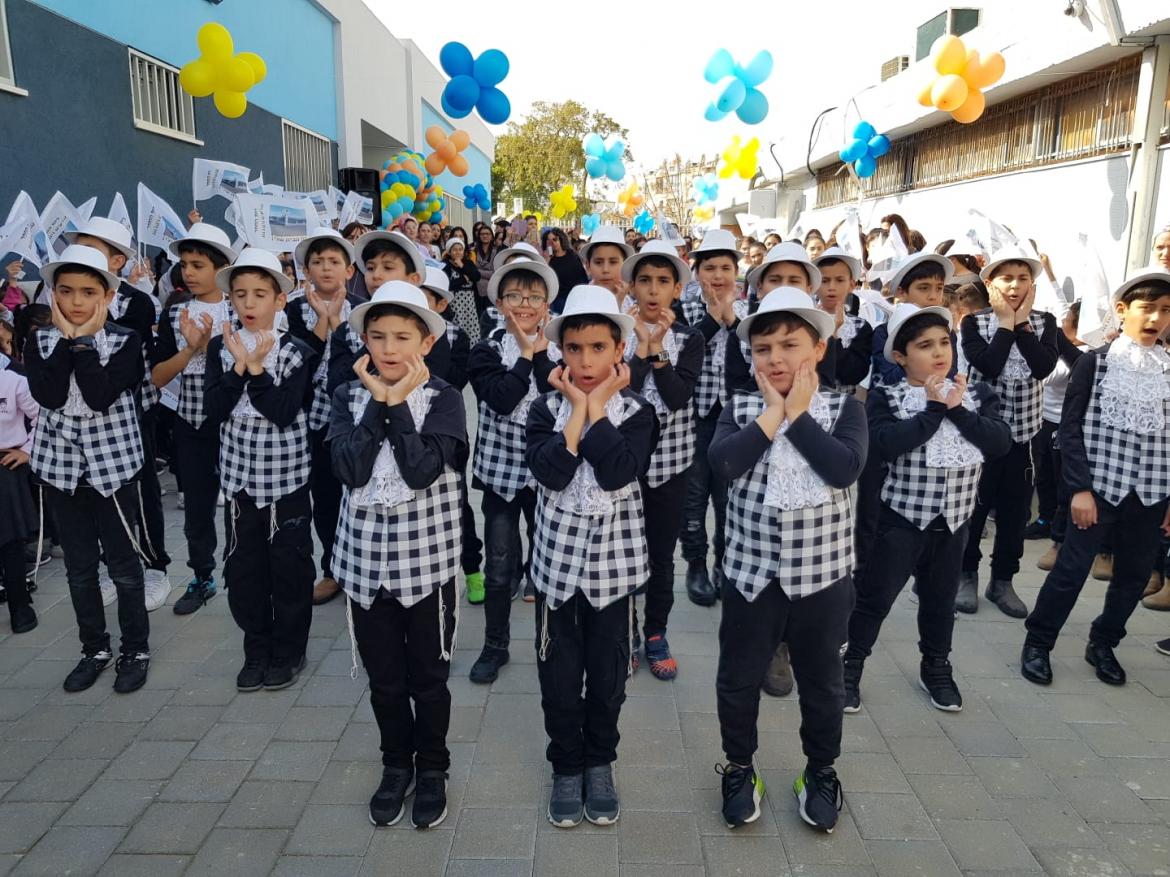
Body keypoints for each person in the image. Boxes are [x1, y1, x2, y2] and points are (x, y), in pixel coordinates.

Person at [710, 288, 866, 833]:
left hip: (823, 580)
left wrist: (797, 415)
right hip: (751, 577)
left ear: (818, 349)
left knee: (824, 682)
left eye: (789, 345)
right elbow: (724, 464)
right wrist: (774, 413)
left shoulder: (845, 409)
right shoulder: (739, 408)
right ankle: (739, 767)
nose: (775, 358)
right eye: (763, 348)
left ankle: (820, 771)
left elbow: (843, 468)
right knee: (737, 677)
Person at [329, 280, 466, 829]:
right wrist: (376, 406)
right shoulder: (347, 395)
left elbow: (420, 469)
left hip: (427, 565)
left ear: (426, 342)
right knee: (385, 679)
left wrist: (397, 406)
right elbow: (349, 468)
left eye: (402, 337)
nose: (388, 349)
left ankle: (432, 767)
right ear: (363, 339)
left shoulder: (444, 398)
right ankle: (395, 764)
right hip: (365, 566)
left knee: (429, 678)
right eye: (378, 336)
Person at [528, 284, 658, 828]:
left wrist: (596, 409)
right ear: (560, 352)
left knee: (607, 677)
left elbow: (617, 472)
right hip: (556, 568)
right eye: (574, 348)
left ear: (619, 351)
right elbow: (552, 474)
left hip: (615, 570)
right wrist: (577, 412)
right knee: (558, 675)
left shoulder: (639, 413)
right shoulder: (543, 409)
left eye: (598, 348)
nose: (585, 361)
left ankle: (600, 761)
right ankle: (566, 764)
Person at [845, 304, 1010, 713]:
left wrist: (956, 409)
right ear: (900, 356)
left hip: (954, 523)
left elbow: (999, 442)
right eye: (924, 346)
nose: (939, 352)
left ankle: (936, 666)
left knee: (940, 602)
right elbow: (885, 444)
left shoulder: (975, 394)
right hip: (900, 521)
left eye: (944, 342)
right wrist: (933, 410)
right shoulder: (887, 396)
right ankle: (850, 666)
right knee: (874, 598)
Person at [1021, 268, 1170, 687]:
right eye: (1147, 308)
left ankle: (1103, 642)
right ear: (1122, 310)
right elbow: (1069, 430)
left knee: (1134, 576)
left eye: (1166, 310)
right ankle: (1038, 642)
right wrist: (1080, 489)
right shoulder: (1096, 362)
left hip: (1151, 493)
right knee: (1071, 569)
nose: (1156, 318)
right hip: (1099, 489)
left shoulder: (1168, 368)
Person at [27, 245, 151, 693]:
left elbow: (99, 396)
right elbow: (51, 395)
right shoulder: (39, 339)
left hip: (113, 467)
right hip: (61, 469)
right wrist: (67, 341)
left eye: (87, 292)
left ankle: (135, 648)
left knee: (123, 565)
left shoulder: (126, 340)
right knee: (80, 568)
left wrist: (82, 343)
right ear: (53, 293)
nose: (76, 301)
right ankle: (94, 648)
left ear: (107, 295)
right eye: (66, 291)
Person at [203, 248, 318, 691]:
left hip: (286, 481)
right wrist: (238, 368)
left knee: (289, 568)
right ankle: (257, 647)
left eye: (260, 294)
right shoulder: (220, 347)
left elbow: (284, 411)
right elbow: (215, 408)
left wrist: (256, 371)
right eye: (240, 294)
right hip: (239, 483)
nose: (249, 304)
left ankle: (289, 650)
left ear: (280, 299)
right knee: (244, 569)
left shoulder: (296, 351)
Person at [64, 218, 172, 611]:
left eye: (93, 250)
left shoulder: (135, 302)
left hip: (128, 411)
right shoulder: (61, 298)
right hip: (75, 416)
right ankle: (112, 565)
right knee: (91, 491)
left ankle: (154, 564)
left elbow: (113, 347)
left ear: (117, 261)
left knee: (139, 489)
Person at [467, 259, 561, 682]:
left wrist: (537, 353)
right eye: (515, 296)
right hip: (501, 474)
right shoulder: (486, 349)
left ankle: (549, 643)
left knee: (549, 563)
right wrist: (525, 354)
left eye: (534, 296)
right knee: (499, 565)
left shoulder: (560, 347)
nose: (525, 304)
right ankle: (494, 646)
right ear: (500, 303)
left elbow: (555, 392)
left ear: (546, 304)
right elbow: (503, 399)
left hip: (549, 474)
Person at [958, 246, 1059, 616]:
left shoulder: (1045, 323)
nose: (1015, 286)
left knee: (1016, 513)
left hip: (1024, 437)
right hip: (982, 435)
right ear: (990, 284)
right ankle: (965, 574)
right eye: (1006, 278)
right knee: (975, 507)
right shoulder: (973, 323)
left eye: (1022, 279)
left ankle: (1003, 581)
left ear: (1032, 286)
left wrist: (1022, 324)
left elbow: (1042, 367)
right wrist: (1005, 323)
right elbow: (989, 364)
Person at [621, 241, 704, 679]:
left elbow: (675, 396)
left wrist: (658, 351)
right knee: (621, 551)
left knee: (661, 555)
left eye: (663, 282)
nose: (653, 290)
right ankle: (625, 632)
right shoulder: (617, 333)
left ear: (676, 289)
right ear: (631, 287)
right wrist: (640, 346)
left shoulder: (690, 339)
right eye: (645, 281)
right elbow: (623, 391)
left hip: (671, 464)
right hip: (623, 464)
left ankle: (655, 632)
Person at [150, 224, 237, 616]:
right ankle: (202, 575)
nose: (188, 272)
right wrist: (191, 349)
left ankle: (241, 569)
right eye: (184, 264)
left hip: (233, 418)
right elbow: (158, 376)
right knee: (198, 505)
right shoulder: (174, 312)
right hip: (189, 419)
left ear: (220, 269)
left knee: (239, 501)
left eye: (197, 265)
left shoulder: (238, 307)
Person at [284, 228, 359, 607]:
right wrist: (322, 321)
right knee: (325, 496)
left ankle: (361, 568)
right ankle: (332, 569)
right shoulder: (292, 311)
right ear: (306, 270)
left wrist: (338, 323)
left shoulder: (363, 310)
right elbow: (297, 364)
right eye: (317, 262)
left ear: (349, 270)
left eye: (334, 261)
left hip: (355, 418)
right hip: (311, 418)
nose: (326, 268)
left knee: (357, 493)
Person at [681, 229, 746, 609]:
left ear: (736, 272)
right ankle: (695, 565)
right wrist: (712, 319)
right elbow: (682, 350)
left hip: (735, 420)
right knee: (693, 495)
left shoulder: (750, 314)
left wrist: (733, 322)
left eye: (725, 268)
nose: (718, 276)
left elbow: (756, 357)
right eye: (709, 268)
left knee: (728, 497)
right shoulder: (685, 309)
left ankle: (725, 563)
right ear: (697, 272)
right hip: (694, 418)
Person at [418, 267, 482, 603]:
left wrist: (435, 339)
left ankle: (472, 569)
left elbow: (453, 380)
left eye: (427, 300)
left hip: (447, 429)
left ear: (442, 304)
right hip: (405, 430)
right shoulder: (396, 333)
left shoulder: (456, 337)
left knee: (457, 499)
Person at [326, 230, 424, 396]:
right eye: (370, 268)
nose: (376, 275)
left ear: (412, 279)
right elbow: (335, 387)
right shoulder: (346, 330)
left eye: (388, 267)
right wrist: (371, 348)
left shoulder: (426, 327)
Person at [1035, 302, 1087, 574]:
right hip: (1045, 420)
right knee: (1043, 477)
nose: (1062, 322)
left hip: (1064, 425)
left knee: (1062, 484)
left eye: (1067, 318)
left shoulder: (1086, 355)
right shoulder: (1062, 349)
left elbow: (1044, 377)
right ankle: (1046, 523)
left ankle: (1060, 540)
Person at [0, 353, 38, 633]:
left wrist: (27, 450)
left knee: (9, 542)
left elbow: (43, 416)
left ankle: (20, 605)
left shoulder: (12, 380)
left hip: (4, 464)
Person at [814, 247, 873, 394]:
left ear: (851, 285)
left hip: (844, 402)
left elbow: (853, 374)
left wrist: (833, 335)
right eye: (825, 281)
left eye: (839, 280)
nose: (831, 287)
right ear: (814, 285)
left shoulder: (860, 327)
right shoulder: (804, 321)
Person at [579, 226, 633, 311]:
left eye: (613, 262)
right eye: (598, 262)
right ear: (588, 266)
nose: (605, 270)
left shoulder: (631, 305)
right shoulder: (580, 303)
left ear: (624, 265)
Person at [441, 237, 481, 343]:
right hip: (455, 302)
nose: (458, 252)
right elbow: (447, 284)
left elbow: (476, 276)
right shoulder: (445, 265)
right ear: (449, 251)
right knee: (457, 325)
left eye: (460, 249)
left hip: (469, 302)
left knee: (471, 325)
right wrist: (463, 279)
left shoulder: (468, 263)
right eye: (454, 250)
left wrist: (462, 265)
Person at [543, 227, 589, 299]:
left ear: (561, 239)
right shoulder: (548, 260)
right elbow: (545, 281)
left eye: (555, 239)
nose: (552, 243)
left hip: (578, 294)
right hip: (559, 298)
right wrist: (547, 261)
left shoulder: (572, 254)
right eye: (549, 241)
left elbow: (582, 275)